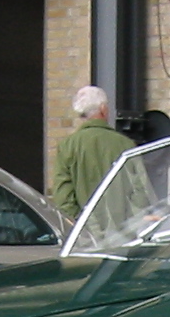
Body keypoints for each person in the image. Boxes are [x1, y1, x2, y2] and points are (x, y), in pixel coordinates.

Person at [51, 85, 134, 218]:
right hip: (123, 232)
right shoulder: (125, 144)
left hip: (86, 232)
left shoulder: (67, 146)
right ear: (103, 109)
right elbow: (139, 192)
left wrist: (82, 225)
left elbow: (63, 198)